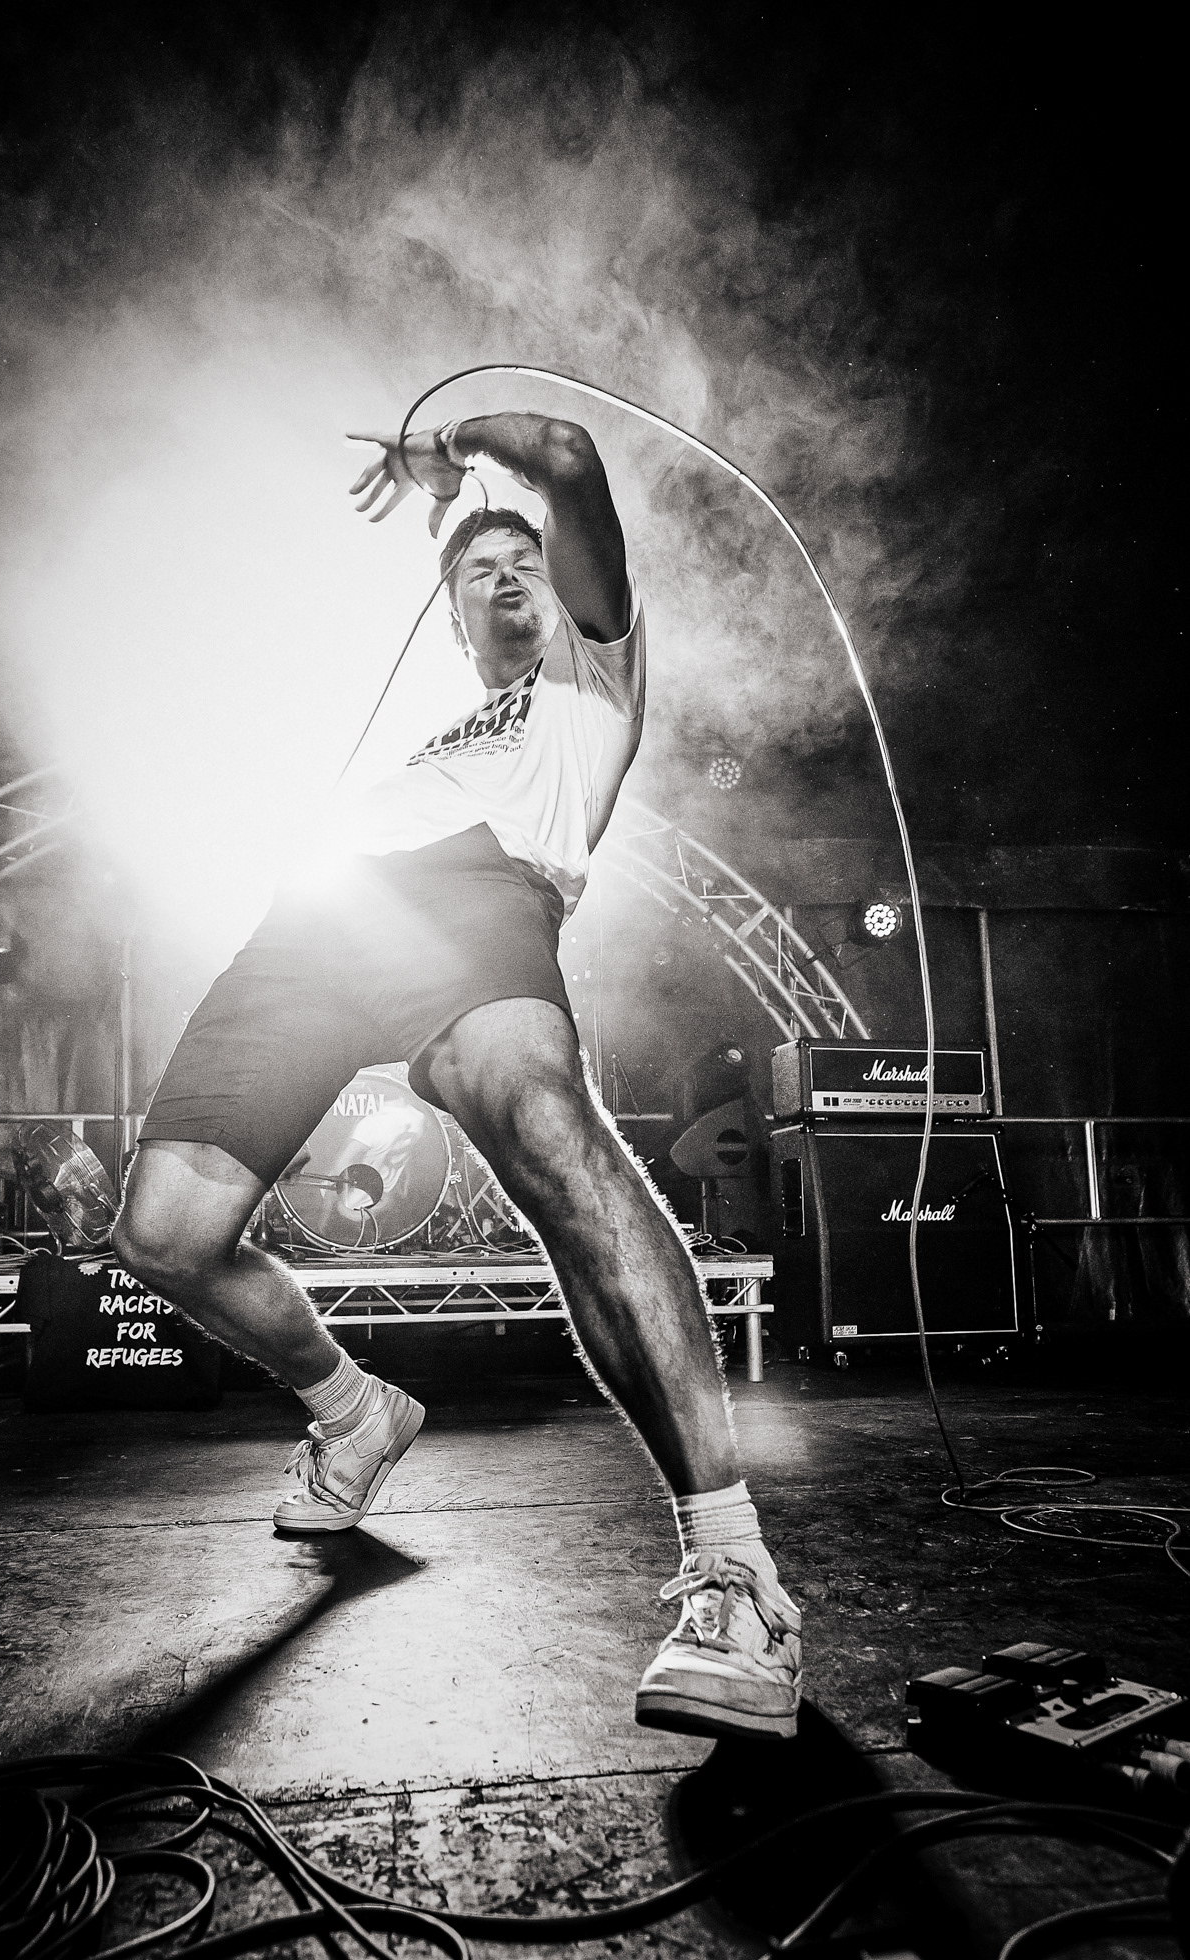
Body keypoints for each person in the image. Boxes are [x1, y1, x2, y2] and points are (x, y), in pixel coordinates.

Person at [113, 411, 802, 1740]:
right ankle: (353, 1411)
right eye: (477, 568)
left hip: (480, 898)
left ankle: (733, 1569)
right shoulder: (431, 728)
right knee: (162, 1236)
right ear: (448, 613)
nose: (503, 575)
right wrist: (449, 518)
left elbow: (564, 454)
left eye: (523, 560)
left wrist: (451, 451)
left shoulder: (590, 677)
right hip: (322, 924)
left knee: (538, 1119)